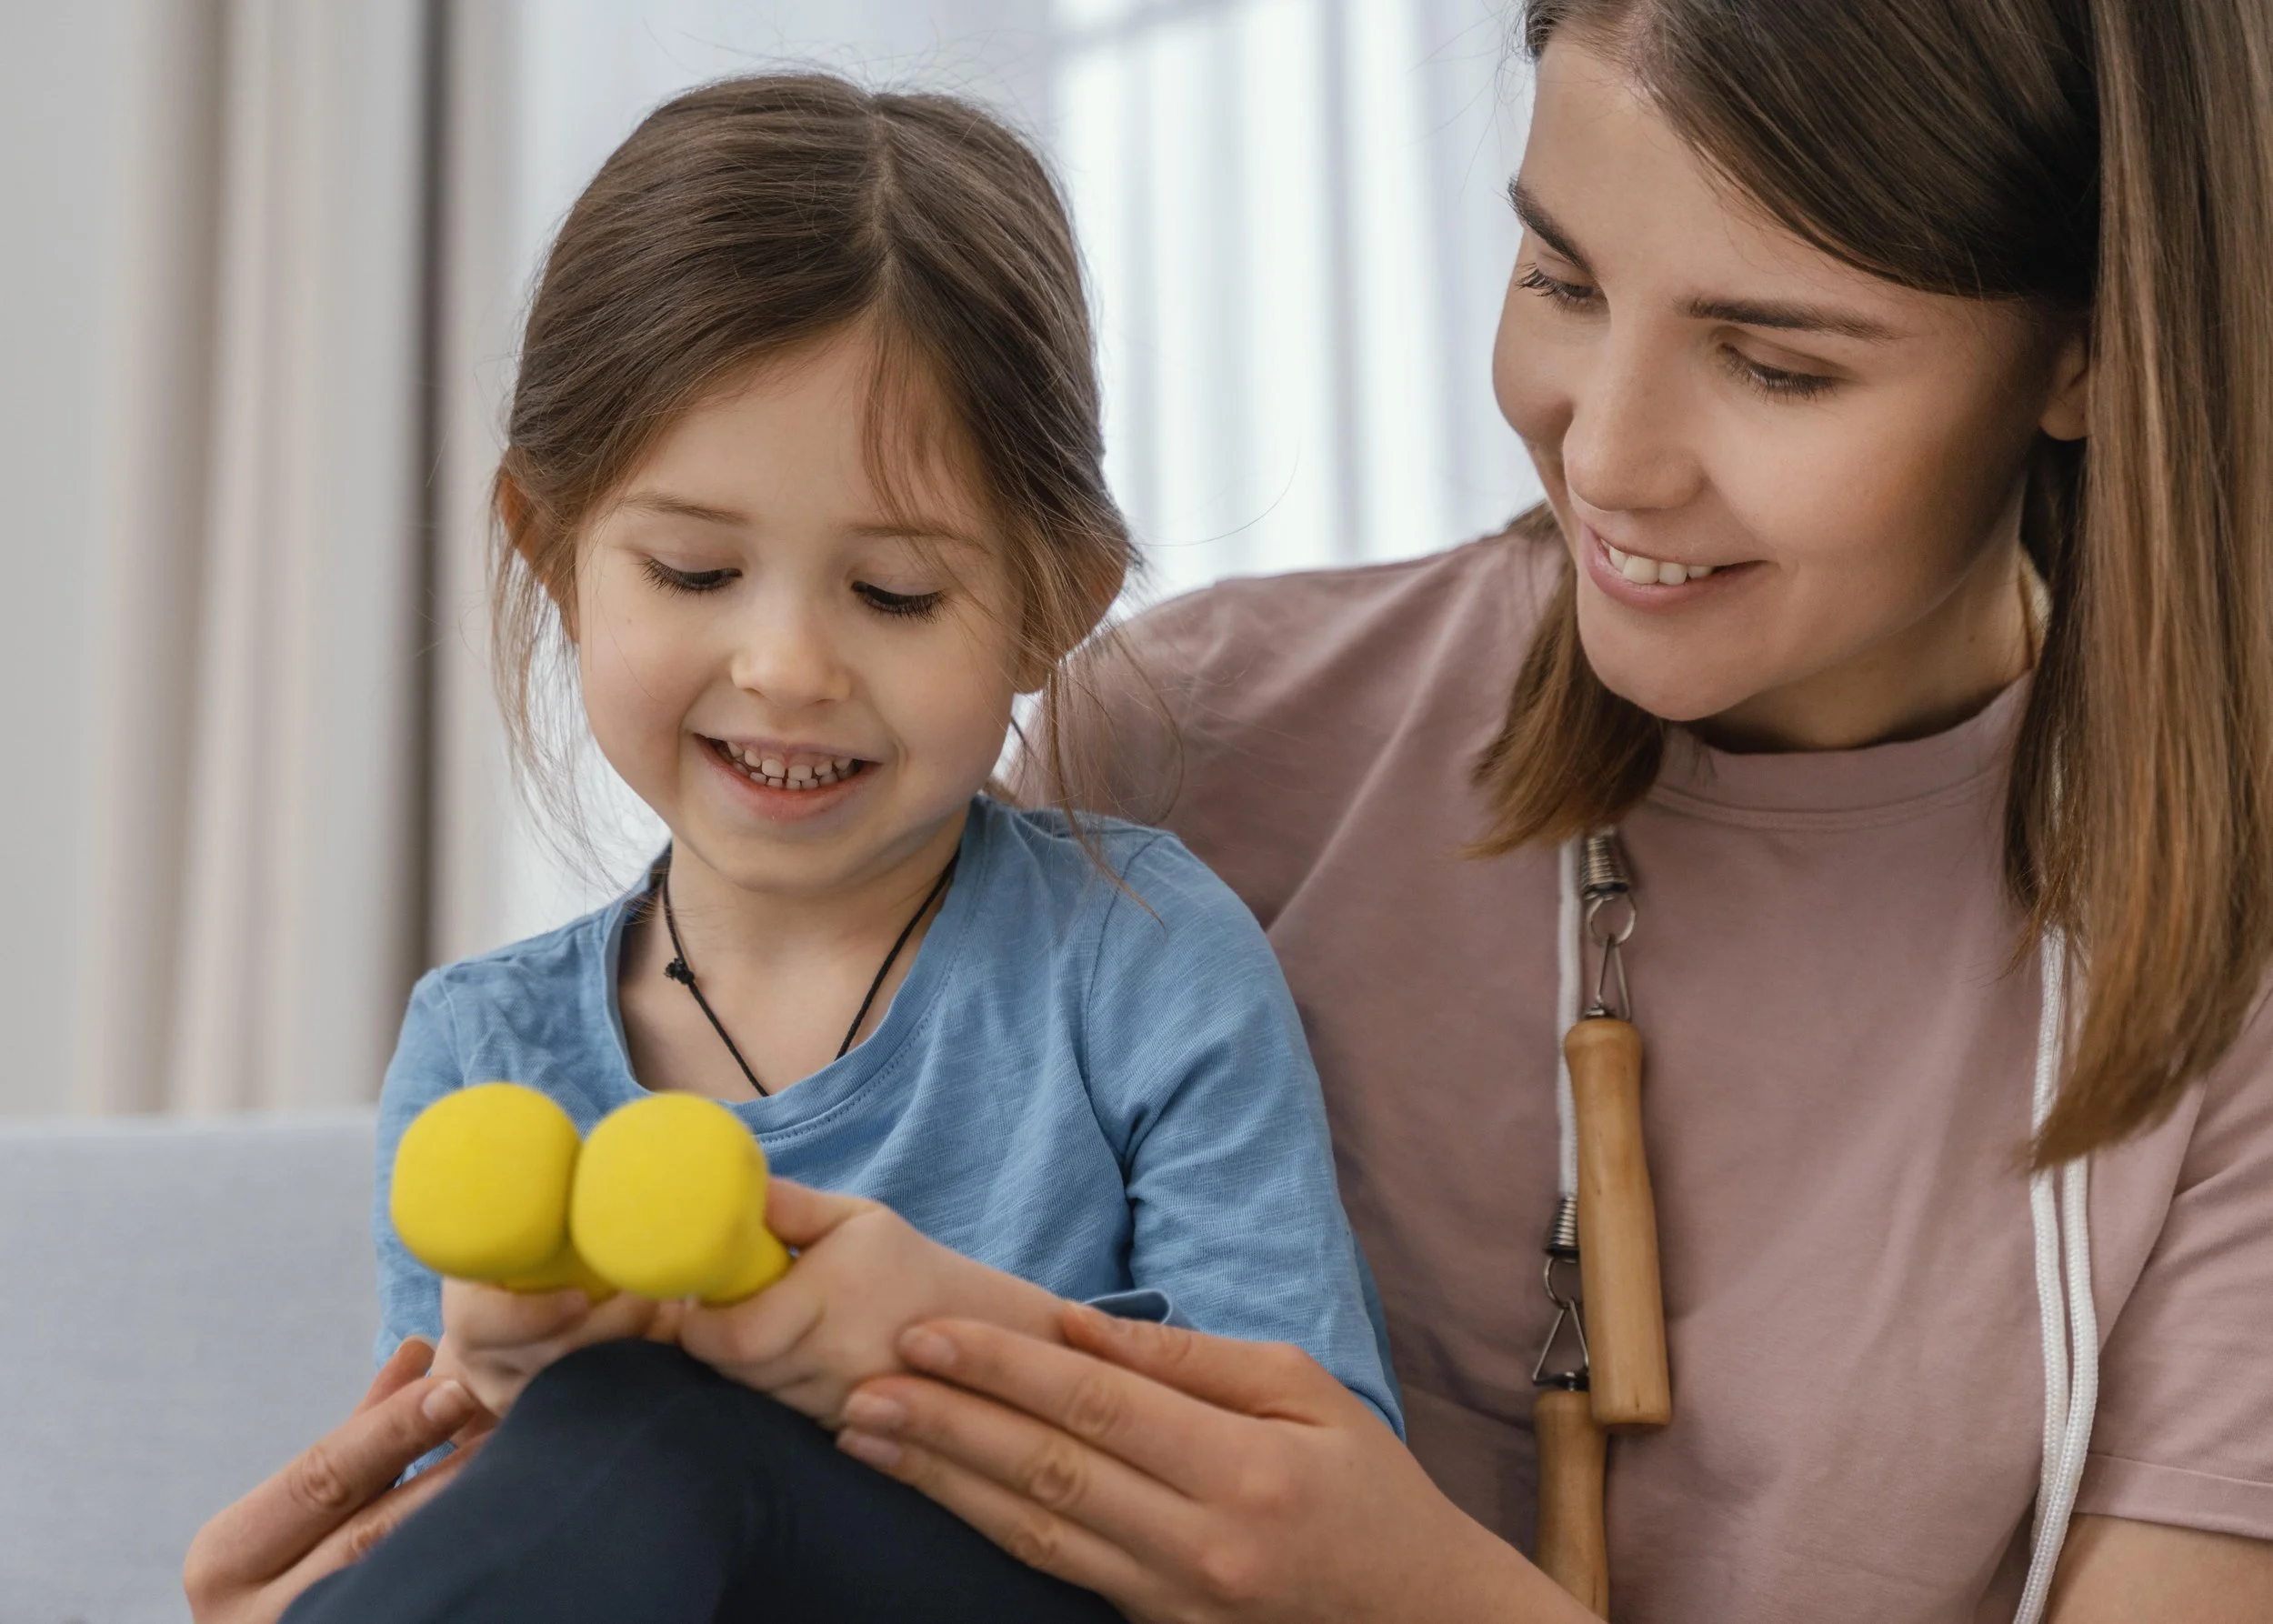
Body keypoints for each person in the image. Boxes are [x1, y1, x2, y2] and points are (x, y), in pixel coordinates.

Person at [191, 1, 2273, 1620]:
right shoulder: (1186, 742)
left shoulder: (2216, 992)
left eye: (1777, 363)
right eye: (1557, 278)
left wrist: (1390, 1577)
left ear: (2080, 354)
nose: (1609, 456)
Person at [251, 69, 1398, 1624]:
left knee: (648, 1426)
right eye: (696, 567)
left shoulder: (1132, 955)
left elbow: (1318, 1502)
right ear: (556, 553)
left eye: (897, 595)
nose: (788, 664)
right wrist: (497, 1389)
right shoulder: (484, 1050)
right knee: (602, 1429)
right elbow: (448, 1551)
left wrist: (930, 1342)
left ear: (1050, 600)